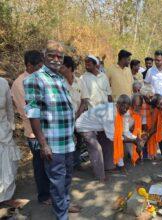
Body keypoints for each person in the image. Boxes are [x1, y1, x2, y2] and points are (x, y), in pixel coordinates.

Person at [24, 40, 80, 220]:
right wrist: (43, 144)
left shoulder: (59, 79)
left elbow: (64, 111)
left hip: (68, 142)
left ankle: (63, 206)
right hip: (52, 146)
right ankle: (61, 216)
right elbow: (33, 113)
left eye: (59, 56)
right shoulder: (35, 79)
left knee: (66, 180)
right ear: (44, 55)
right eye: (51, 55)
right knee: (57, 183)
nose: (56, 59)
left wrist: (72, 136)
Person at [11, 50, 49, 205]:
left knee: (48, 164)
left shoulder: (38, 78)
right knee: (40, 166)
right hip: (35, 133)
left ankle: (50, 193)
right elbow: (29, 112)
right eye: (39, 66)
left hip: (46, 129)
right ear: (28, 65)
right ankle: (44, 196)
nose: (42, 69)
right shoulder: (20, 84)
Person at [75, 95, 143, 181]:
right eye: (123, 107)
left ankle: (108, 166)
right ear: (117, 104)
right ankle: (100, 175)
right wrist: (134, 141)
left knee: (108, 143)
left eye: (127, 108)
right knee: (96, 149)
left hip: (99, 126)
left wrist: (136, 139)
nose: (125, 110)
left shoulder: (124, 112)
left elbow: (125, 131)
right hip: (84, 125)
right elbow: (113, 137)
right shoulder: (109, 114)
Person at [60, 56, 89, 168]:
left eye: (62, 67)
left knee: (78, 141)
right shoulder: (59, 83)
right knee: (66, 143)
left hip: (78, 117)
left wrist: (77, 115)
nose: (59, 69)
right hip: (64, 120)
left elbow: (84, 100)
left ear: (69, 68)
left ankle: (76, 163)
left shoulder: (80, 82)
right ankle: (67, 164)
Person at [0, 77, 21, 208]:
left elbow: (9, 108)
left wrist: (11, 126)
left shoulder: (2, 83)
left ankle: (5, 197)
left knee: (9, 164)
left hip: (3, 130)